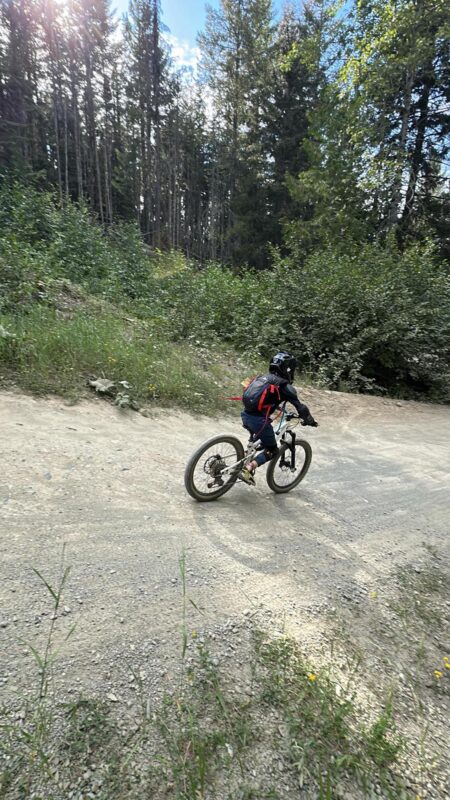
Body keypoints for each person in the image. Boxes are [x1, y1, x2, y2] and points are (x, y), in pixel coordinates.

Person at [239, 352, 318, 485]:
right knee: (273, 450)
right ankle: (248, 468)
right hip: (260, 421)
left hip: (245, 414)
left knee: (259, 441)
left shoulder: (262, 378)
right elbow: (301, 408)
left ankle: (243, 458)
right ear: (288, 369)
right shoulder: (285, 387)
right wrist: (310, 420)